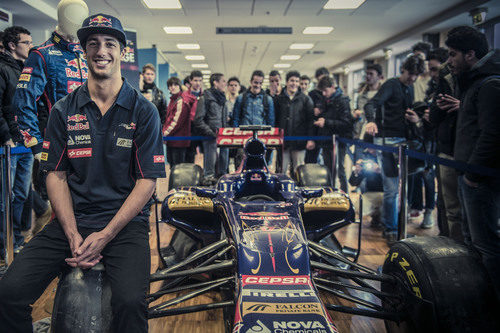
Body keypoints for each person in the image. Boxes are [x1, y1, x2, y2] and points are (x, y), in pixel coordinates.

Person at [0, 13, 166, 332]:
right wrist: (74, 232)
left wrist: (105, 235)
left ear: (122, 51)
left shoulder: (143, 111)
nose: (101, 50)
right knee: (8, 294)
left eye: (109, 43)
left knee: (131, 304)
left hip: (125, 225)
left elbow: (147, 182)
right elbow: (56, 175)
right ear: (84, 51)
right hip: (71, 221)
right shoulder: (64, 110)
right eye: (93, 44)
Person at [445, 26, 500, 299]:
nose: (449, 60)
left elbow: (493, 133)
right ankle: (479, 299)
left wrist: (473, 175)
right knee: (472, 242)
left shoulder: (490, 83)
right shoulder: (474, 82)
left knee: (486, 245)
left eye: (453, 55)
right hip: (470, 174)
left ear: (470, 54)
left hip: (480, 178)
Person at [364, 55, 425, 243]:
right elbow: (371, 104)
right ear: (403, 70)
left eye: (416, 75)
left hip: (403, 141)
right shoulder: (391, 85)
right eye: (410, 74)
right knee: (391, 189)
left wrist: (414, 118)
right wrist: (372, 120)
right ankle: (390, 228)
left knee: (401, 189)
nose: (413, 78)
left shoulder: (409, 87)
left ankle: (397, 227)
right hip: (388, 141)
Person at [0, 26, 34, 255]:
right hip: (8, 146)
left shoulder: (25, 70)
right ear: (13, 45)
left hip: (26, 142)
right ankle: (5, 245)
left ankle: (17, 239)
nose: (31, 46)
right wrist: (6, 137)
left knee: (21, 194)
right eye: (27, 42)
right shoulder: (2, 69)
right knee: (5, 197)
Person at [428, 48, 463, 241]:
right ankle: (449, 248)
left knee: (456, 209)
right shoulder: (445, 80)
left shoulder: (482, 82)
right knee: (447, 205)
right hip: (446, 149)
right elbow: (434, 116)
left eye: (453, 54)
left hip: (464, 153)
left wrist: (463, 106)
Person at [315, 75, 353, 192]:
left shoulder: (343, 101)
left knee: (340, 170)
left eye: (325, 90)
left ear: (332, 87)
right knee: (327, 170)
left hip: (339, 141)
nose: (324, 94)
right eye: (322, 91)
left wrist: (326, 122)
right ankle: (329, 192)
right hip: (326, 140)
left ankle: (345, 195)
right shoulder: (325, 101)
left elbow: (346, 123)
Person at [274, 71, 314, 175]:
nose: (294, 83)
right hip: (283, 142)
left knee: (299, 171)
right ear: (286, 82)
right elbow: (275, 119)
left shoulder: (306, 100)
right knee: (281, 170)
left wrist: (310, 139)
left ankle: (297, 191)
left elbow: (310, 121)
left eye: (297, 81)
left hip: (300, 141)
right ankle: (280, 190)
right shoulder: (278, 99)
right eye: (292, 80)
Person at [232, 70, 275, 169]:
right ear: (251, 82)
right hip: (243, 138)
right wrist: (235, 137)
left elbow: (271, 121)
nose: (258, 85)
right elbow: (236, 118)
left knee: (261, 166)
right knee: (241, 166)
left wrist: (270, 138)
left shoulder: (268, 100)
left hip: (262, 138)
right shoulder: (241, 98)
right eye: (256, 82)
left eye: (260, 83)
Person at [194, 73, 229, 183]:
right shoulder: (205, 98)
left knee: (223, 169)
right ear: (215, 82)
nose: (225, 84)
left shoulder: (222, 99)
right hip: (209, 138)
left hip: (223, 138)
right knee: (209, 172)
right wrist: (211, 133)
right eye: (223, 81)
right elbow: (198, 120)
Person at [349, 134, 384, 228]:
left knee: (388, 203)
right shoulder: (366, 158)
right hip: (371, 193)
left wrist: (381, 171)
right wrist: (356, 172)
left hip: (388, 194)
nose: (370, 150)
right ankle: (376, 217)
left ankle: (384, 220)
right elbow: (353, 183)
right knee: (357, 207)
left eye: (372, 147)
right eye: (368, 147)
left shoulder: (388, 156)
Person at [353, 64, 384, 161]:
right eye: (367, 74)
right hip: (361, 136)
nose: (368, 76)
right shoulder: (361, 96)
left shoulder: (384, 95)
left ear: (379, 77)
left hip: (378, 137)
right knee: (359, 167)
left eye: (371, 74)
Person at [164, 76, 194, 166]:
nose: (173, 87)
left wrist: (164, 134)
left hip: (179, 141)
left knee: (178, 168)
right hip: (172, 140)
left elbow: (175, 122)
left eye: (175, 85)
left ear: (179, 86)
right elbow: (168, 119)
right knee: (172, 166)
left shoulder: (181, 101)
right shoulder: (173, 100)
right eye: (170, 85)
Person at [306, 67, 330, 164]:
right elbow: (309, 115)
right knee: (311, 160)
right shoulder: (312, 94)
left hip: (328, 132)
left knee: (328, 162)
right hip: (315, 131)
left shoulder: (333, 95)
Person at [185, 70, 203, 163]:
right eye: (195, 80)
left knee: (208, 153)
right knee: (190, 153)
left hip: (202, 127)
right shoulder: (184, 96)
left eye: (200, 80)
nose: (198, 83)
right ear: (190, 81)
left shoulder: (205, 96)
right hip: (190, 127)